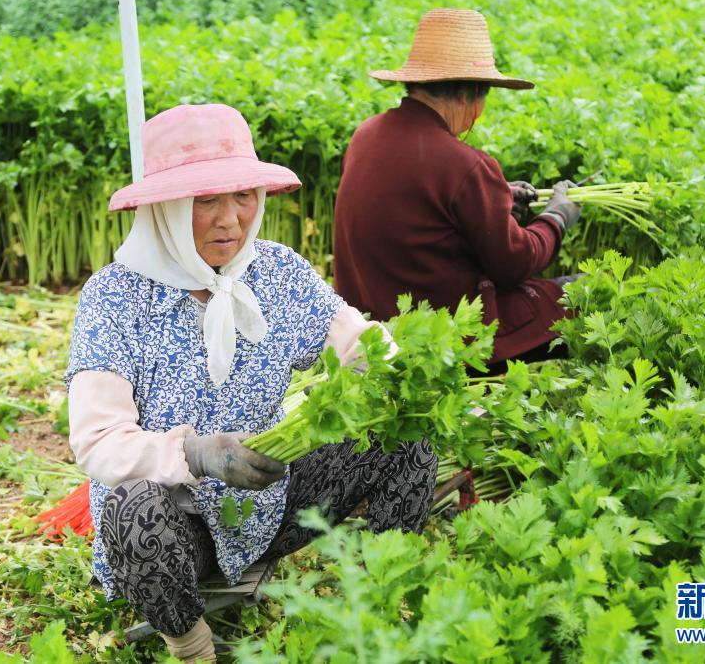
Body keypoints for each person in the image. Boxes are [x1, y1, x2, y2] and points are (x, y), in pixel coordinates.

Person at [65, 103, 437, 663]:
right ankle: (191, 645)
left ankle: (375, 608)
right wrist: (197, 454)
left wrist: (407, 372)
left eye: (243, 196)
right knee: (131, 507)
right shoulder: (115, 298)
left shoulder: (277, 273)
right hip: (178, 532)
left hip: (270, 501)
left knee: (405, 437)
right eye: (205, 201)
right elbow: (96, 442)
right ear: (164, 207)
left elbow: (358, 344)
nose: (230, 220)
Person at [333, 8, 582, 372]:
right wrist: (557, 218)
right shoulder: (465, 165)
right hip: (446, 342)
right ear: (471, 94)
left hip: (371, 331)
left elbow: (424, 208)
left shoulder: (366, 135)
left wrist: (498, 197)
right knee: (584, 293)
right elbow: (515, 264)